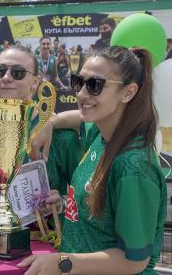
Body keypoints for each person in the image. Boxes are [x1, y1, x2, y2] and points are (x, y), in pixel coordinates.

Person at [20, 46, 167, 274]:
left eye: (95, 85)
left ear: (128, 92)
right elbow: (79, 119)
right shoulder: (101, 133)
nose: (80, 94)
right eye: (79, 82)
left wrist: (62, 263)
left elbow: (134, 260)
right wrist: (49, 122)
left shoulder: (133, 168)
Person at [0, 44, 83, 199]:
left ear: (35, 82)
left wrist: (61, 202)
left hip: (45, 223)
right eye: (0, 71)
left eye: (18, 73)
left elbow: (86, 197)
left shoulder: (60, 135)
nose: (6, 78)